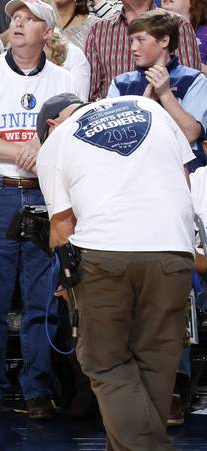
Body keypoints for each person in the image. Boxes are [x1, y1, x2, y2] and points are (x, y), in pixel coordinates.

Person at [35, 92, 196, 451]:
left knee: (105, 362)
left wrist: (66, 285)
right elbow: (183, 181)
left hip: (105, 251)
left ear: (50, 126)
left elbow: (62, 228)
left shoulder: (57, 142)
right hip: (173, 247)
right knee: (155, 359)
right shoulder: (149, 106)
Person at [0, 0, 79, 420]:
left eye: (30, 19)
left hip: (48, 195)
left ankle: (37, 389)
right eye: (15, 19)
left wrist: (40, 149)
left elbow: (72, 138)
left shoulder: (66, 80)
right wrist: (20, 151)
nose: (20, 24)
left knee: (43, 300)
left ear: (48, 31)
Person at [86, 0, 204, 99]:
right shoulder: (99, 30)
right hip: (114, 116)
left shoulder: (178, 25)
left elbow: (190, 86)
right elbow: (92, 92)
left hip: (164, 115)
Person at [107, 8, 207, 169]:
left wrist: (165, 94)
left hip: (185, 169)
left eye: (140, 40)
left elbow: (190, 134)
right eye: (131, 40)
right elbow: (113, 139)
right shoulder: (120, 83)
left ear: (164, 41)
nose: (133, 47)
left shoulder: (194, 80)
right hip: (134, 170)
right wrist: (145, 104)